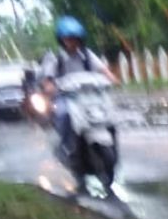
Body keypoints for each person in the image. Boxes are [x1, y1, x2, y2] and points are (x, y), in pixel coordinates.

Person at [40, 16, 116, 183]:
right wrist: (50, 87)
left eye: (74, 39)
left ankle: (111, 146)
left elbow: (103, 70)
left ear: (80, 39)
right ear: (61, 40)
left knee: (110, 117)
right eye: (68, 39)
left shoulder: (87, 55)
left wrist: (111, 77)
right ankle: (68, 148)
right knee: (64, 115)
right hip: (66, 98)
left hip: (89, 97)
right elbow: (47, 81)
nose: (71, 42)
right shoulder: (54, 58)